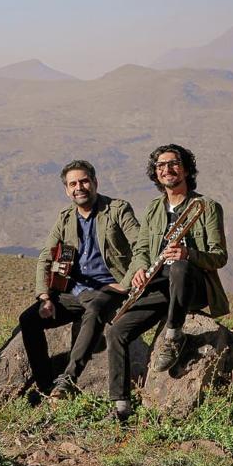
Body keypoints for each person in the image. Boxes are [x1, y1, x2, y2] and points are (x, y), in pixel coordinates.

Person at [105, 145, 229, 419]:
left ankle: (174, 336)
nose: (167, 169)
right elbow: (141, 250)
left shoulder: (205, 207)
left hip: (192, 284)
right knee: (116, 331)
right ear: (156, 173)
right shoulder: (153, 209)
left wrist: (188, 253)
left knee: (179, 265)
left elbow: (219, 256)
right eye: (161, 165)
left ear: (185, 169)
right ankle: (120, 405)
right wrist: (138, 269)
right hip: (160, 285)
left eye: (173, 164)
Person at [18, 159, 138, 400]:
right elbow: (45, 256)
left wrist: (125, 284)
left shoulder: (117, 210)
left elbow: (141, 247)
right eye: (73, 184)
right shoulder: (65, 218)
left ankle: (68, 380)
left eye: (84, 181)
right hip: (73, 292)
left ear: (95, 182)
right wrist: (45, 297)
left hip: (109, 288)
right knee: (29, 319)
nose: (79, 187)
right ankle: (45, 386)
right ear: (67, 190)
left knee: (94, 310)